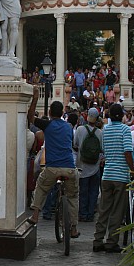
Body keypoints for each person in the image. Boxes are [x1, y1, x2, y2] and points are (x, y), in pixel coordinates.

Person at [26, 88, 80, 239]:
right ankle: (74, 227)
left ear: (50, 113)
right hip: (69, 168)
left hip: (52, 168)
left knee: (41, 188)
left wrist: (35, 98)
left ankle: (35, 215)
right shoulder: (69, 127)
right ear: (62, 113)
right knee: (73, 196)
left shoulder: (47, 125)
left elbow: (30, 118)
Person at [93, 103, 134, 253]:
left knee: (103, 209)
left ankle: (97, 240)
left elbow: (104, 149)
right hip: (121, 175)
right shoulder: (125, 130)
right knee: (117, 211)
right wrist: (133, 169)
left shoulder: (105, 130)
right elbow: (128, 151)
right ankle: (111, 242)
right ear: (122, 115)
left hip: (107, 174)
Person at [74, 108, 103, 222]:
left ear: (87, 117)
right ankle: (90, 214)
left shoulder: (80, 129)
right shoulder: (100, 133)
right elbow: (102, 149)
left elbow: (75, 144)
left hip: (82, 166)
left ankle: (82, 214)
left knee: (83, 191)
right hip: (95, 167)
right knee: (94, 191)